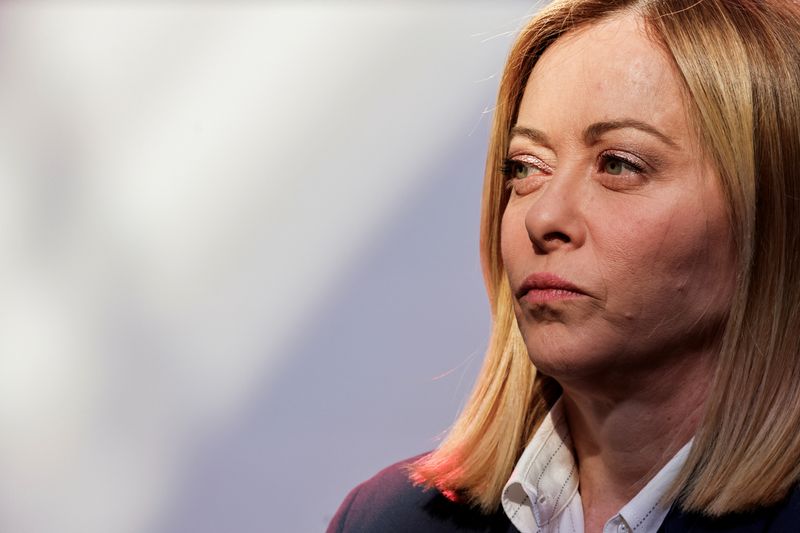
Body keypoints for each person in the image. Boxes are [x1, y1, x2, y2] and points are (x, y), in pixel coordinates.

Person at [327, 0, 800, 531]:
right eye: (526, 167)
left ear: (775, 213)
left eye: (619, 164)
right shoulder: (391, 521)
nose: (543, 216)